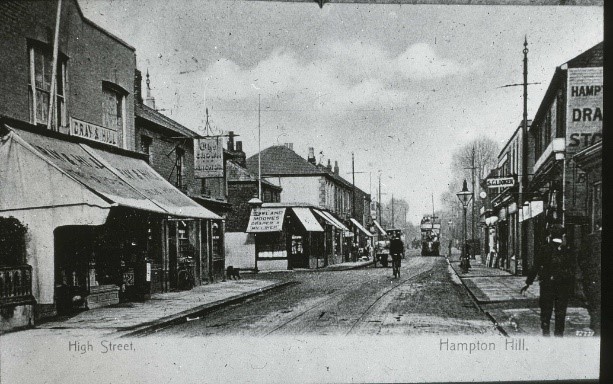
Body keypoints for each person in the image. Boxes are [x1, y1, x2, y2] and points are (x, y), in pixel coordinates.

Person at [520, 223, 575, 337]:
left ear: (550, 235)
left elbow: (535, 267)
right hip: (562, 285)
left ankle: (546, 333)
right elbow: (572, 268)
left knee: (546, 309)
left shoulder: (544, 248)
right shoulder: (567, 249)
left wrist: (528, 283)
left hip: (547, 285)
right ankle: (559, 334)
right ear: (562, 235)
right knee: (561, 311)